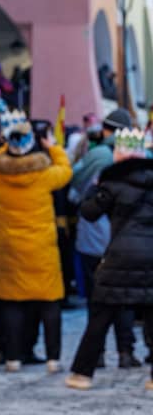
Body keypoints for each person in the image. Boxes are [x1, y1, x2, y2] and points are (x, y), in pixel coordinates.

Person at [0, 112, 72, 373]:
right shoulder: (44, 174)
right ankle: (53, 359)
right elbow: (66, 170)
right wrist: (52, 147)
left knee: (12, 302)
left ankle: (13, 358)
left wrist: (6, 143)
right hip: (41, 248)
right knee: (50, 301)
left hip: (8, 247)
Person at [66, 129, 153, 390]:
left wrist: (96, 187)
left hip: (119, 255)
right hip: (151, 256)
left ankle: (82, 374)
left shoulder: (112, 182)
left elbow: (88, 212)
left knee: (101, 314)